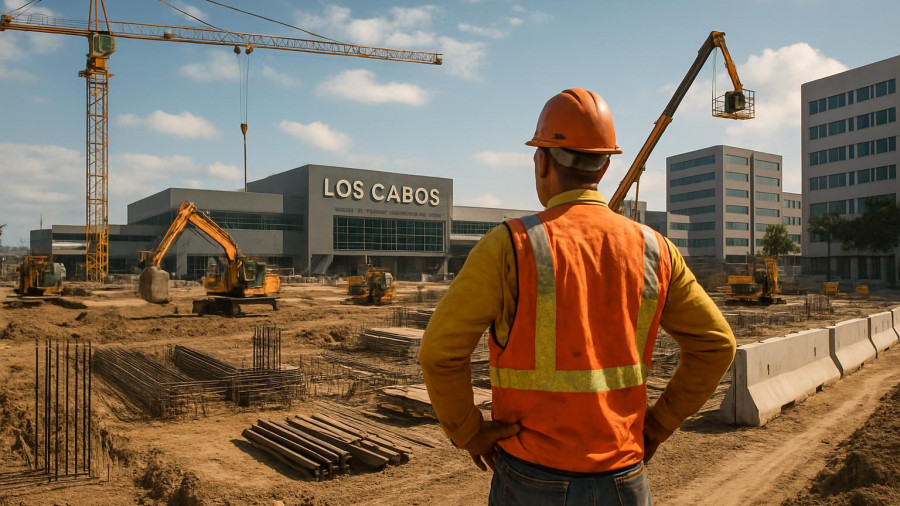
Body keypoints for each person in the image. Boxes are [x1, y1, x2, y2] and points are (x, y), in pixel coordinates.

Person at [419, 88, 736, 505]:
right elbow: (717, 345)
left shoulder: (509, 245)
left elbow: (440, 353)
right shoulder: (655, 249)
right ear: (604, 167)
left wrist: (468, 431)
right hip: (624, 476)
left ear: (542, 160)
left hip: (532, 478)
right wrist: (658, 424)